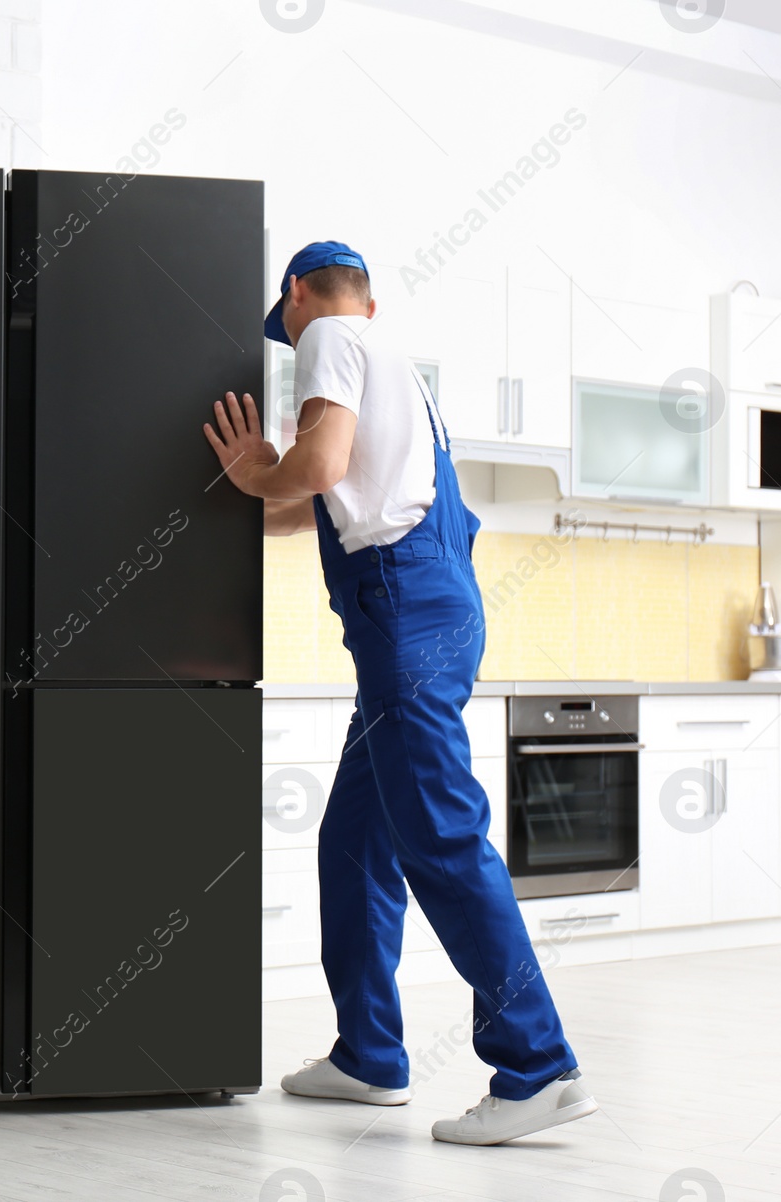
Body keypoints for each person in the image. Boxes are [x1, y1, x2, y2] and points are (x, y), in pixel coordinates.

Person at [202, 240, 597, 1146]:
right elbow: (323, 495)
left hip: (405, 617)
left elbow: (318, 468)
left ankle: (538, 1066)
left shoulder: (327, 337)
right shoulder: (397, 368)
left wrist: (262, 468)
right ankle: (370, 1055)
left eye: (288, 316)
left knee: (442, 842)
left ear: (298, 296)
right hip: (433, 608)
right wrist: (253, 480)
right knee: (355, 840)